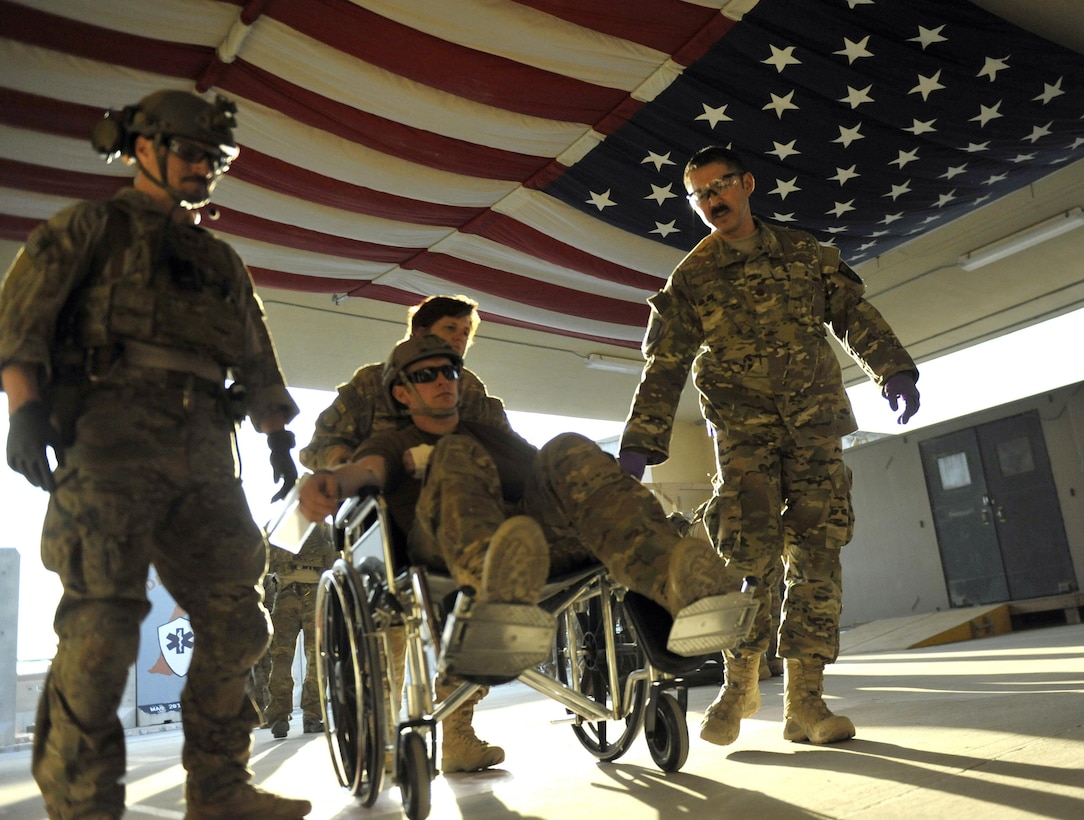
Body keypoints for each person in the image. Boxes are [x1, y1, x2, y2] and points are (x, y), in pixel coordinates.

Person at [0, 89, 311, 818]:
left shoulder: (221, 261)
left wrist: (277, 434)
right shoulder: (89, 229)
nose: (204, 167)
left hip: (206, 453)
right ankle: (83, 802)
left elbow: (256, 359)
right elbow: (23, 324)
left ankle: (219, 786)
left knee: (239, 621)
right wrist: (24, 410)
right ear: (143, 148)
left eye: (214, 157)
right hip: (107, 446)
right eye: (190, 151)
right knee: (102, 626)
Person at [298, 335, 742, 765]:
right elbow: (366, 470)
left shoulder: (490, 434)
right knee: (455, 454)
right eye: (427, 374)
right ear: (402, 392)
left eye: (450, 371)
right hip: (448, 551)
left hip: (534, 546)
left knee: (567, 446)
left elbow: (550, 475)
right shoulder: (392, 443)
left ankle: (678, 586)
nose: (443, 380)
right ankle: (498, 588)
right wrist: (334, 483)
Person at [618, 145, 921, 748]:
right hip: (745, 442)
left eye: (720, 186)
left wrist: (893, 369)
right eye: (699, 195)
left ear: (748, 184)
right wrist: (641, 442)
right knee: (745, 564)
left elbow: (852, 314)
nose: (712, 202)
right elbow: (664, 364)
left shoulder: (804, 254)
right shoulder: (692, 280)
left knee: (817, 561)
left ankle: (806, 702)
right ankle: (742, 683)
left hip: (814, 430)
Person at [299, 294, 512, 773]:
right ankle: (385, 740)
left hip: (462, 519)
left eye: (465, 333)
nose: (459, 340)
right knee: (390, 633)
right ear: (417, 332)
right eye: (450, 330)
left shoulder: (469, 389)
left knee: (476, 608)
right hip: (385, 525)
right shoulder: (370, 384)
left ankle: (457, 734)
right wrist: (349, 472)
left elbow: (505, 447)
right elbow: (320, 446)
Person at [264, 523, 338, 739]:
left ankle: (279, 716)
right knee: (316, 658)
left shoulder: (279, 523)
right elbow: (334, 561)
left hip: (287, 595)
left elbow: (264, 561)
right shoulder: (321, 524)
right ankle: (312, 716)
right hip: (315, 595)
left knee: (281, 657)